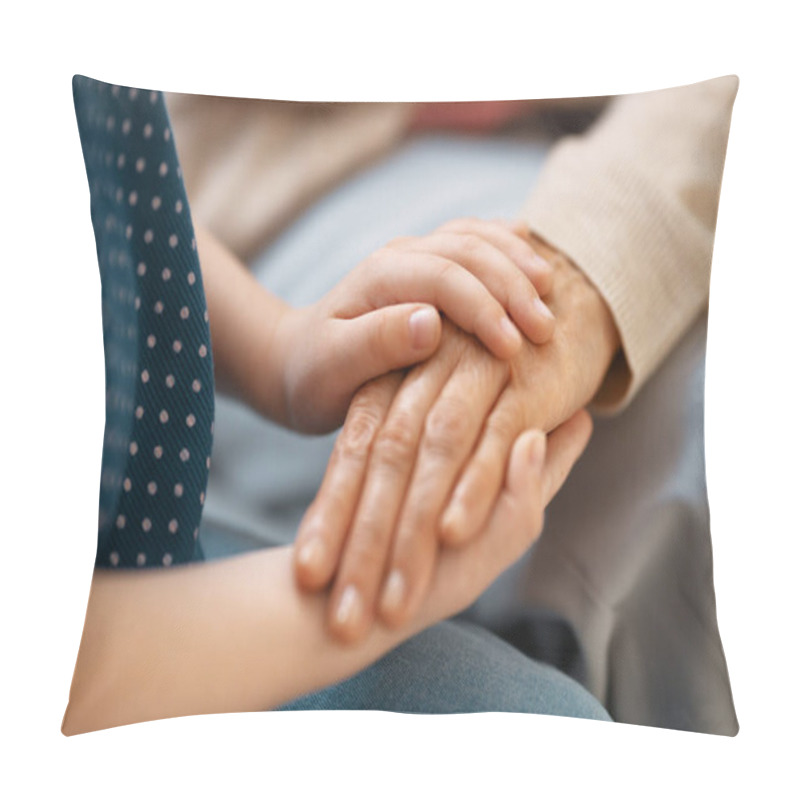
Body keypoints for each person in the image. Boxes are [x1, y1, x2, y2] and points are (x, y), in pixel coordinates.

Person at [167, 76, 739, 733]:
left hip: (612, 132)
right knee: (693, 430)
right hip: (273, 179)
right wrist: (278, 348)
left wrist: (595, 256)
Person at [63, 76, 605, 734]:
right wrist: (356, 601)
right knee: (543, 723)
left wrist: (278, 349)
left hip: (149, 526)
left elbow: (105, 177)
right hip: (101, 646)